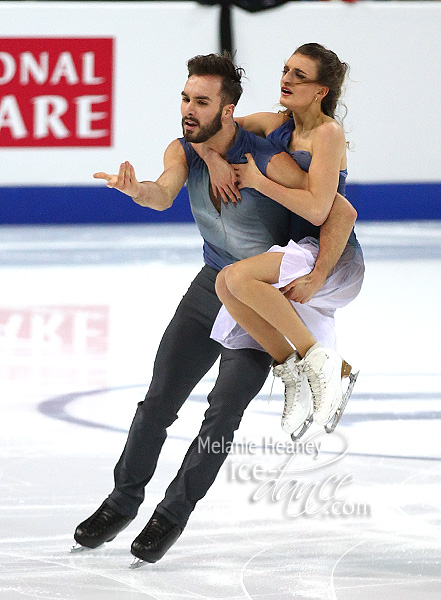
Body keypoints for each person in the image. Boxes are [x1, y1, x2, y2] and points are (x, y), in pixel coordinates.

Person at [72, 52, 357, 567]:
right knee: (158, 400)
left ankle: (170, 516)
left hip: (256, 300)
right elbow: (163, 193)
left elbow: (333, 209)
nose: (188, 109)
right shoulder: (185, 147)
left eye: (201, 102)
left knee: (222, 414)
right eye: (185, 98)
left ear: (227, 111)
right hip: (210, 287)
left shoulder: (271, 158)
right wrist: (137, 190)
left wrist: (317, 277)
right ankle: (120, 503)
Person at [198, 43, 365, 437]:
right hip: (294, 253)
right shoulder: (275, 125)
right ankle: (294, 373)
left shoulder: (328, 134)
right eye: (286, 70)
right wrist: (213, 159)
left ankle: (319, 362)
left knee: (237, 279)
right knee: (226, 283)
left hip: (329, 256)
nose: (286, 79)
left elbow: (319, 211)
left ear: (321, 91)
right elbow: (208, 128)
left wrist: (258, 181)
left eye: (299, 76)